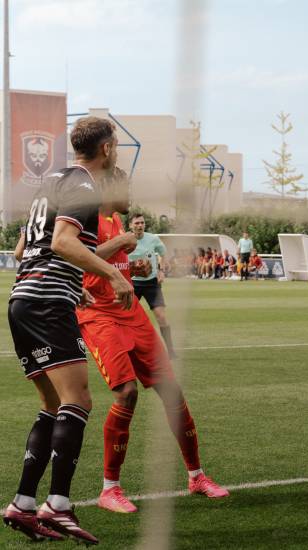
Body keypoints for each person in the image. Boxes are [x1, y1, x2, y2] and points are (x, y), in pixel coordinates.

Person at [3, 117, 135, 544]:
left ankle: (23, 504)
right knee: (77, 400)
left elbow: (25, 248)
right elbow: (61, 242)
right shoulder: (83, 185)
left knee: (52, 404)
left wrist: (70, 285)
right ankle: (57, 505)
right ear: (108, 148)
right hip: (45, 303)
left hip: (24, 298)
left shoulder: (52, 181)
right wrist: (112, 277)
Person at [77, 168, 228, 514]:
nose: (131, 194)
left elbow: (112, 259)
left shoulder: (117, 218)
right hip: (99, 316)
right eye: (126, 187)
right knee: (126, 393)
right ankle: (109, 489)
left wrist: (131, 261)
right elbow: (74, 255)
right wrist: (120, 244)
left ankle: (197, 477)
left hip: (131, 314)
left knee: (172, 391)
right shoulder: (86, 218)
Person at [128, 214, 178, 358]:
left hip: (152, 284)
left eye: (142, 223)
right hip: (132, 284)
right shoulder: (125, 240)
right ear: (131, 225)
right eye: (137, 223)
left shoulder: (153, 238)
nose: (140, 225)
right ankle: (129, 349)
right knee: (127, 317)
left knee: (161, 317)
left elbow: (163, 254)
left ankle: (170, 350)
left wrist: (161, 271)